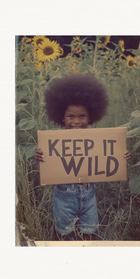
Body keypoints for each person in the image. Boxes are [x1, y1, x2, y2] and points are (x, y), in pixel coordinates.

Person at [35, 73, 131, 241]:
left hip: (89, 197)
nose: (76, 121)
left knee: (89, 232)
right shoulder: (54, 142)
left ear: (91, 116)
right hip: (64, 198)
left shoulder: (96, 140)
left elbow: (110, 157)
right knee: (64, 234)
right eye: (71, 116)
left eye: (82, 116)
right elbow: (46, 171)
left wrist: (121, 156)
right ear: (62, 117)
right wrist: (41, 158)